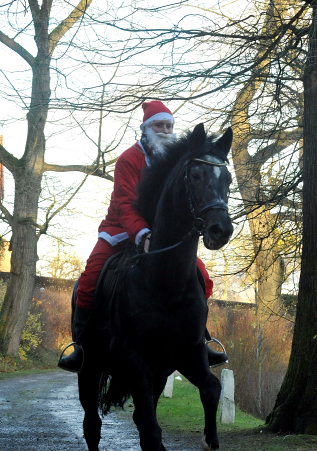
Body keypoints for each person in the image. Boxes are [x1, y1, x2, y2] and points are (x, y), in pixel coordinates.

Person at [58, 100, 228, 372]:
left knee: (202, 278)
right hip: (120, 230)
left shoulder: (176, 162)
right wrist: (142, 234)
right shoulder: (129, 158)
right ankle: (81, 347)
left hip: (162, 237)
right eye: (159, 125)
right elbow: (124, 203)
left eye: (169, 125)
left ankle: (200, 341)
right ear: (146, 127)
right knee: (89, 279)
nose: (165, 130)